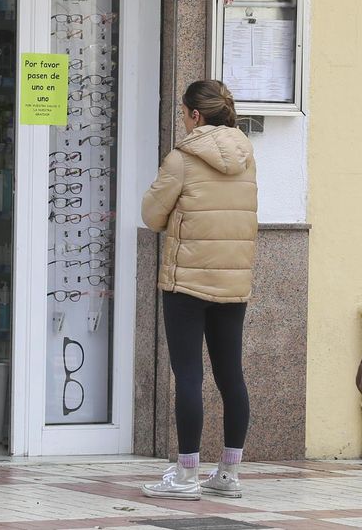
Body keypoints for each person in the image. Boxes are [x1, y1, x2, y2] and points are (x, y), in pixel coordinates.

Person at [139, 80, 258, 501]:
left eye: (182, 112)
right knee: (231, 376)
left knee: (189, 375)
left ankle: (187, 474)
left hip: (186, 281)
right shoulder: (246, 155)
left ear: (195, 115)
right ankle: (229, 472)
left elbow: (152, 215)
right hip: (233, 281)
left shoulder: (182, 157)